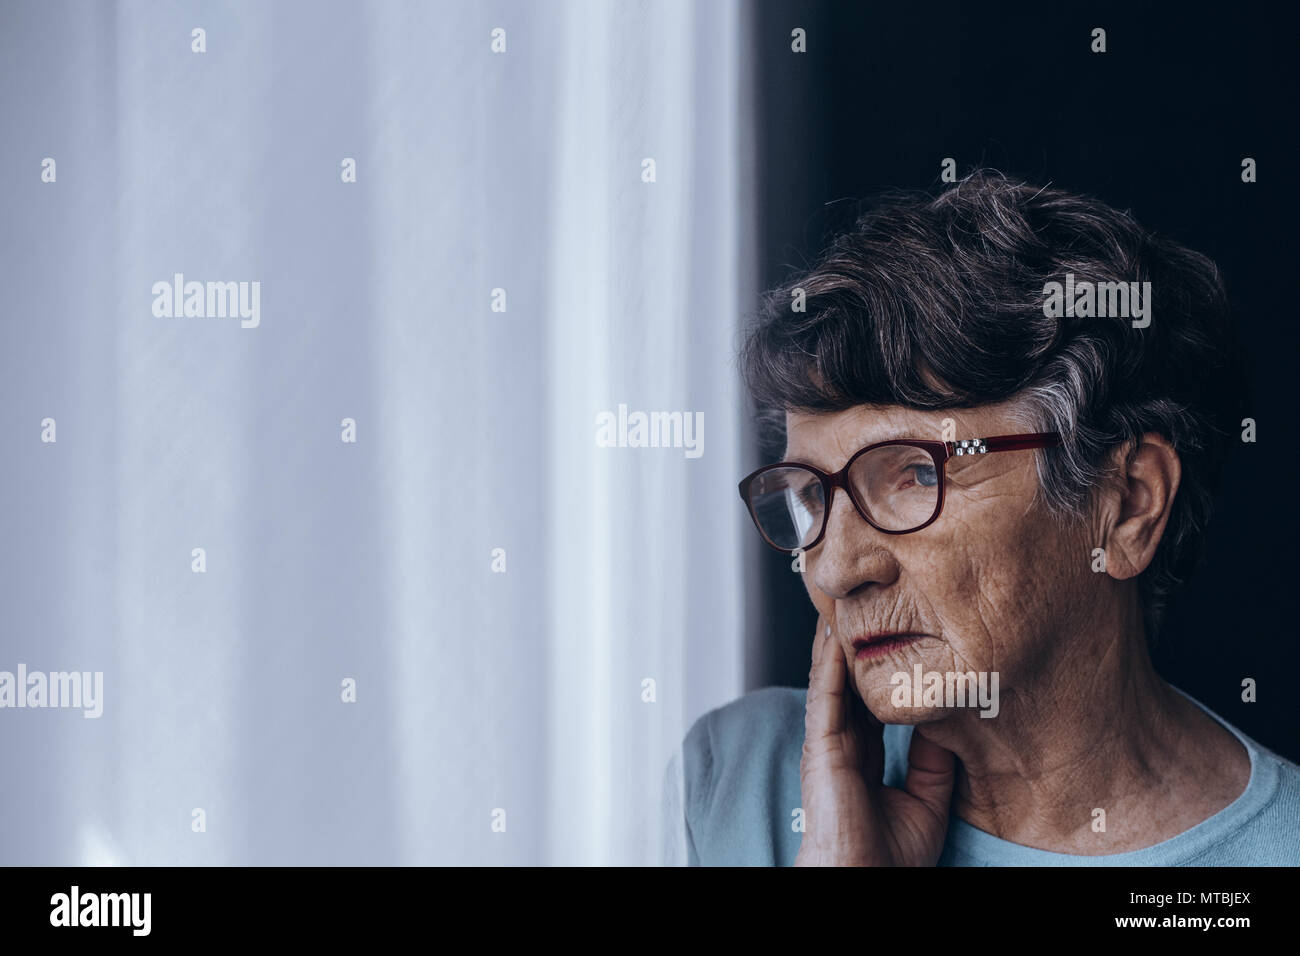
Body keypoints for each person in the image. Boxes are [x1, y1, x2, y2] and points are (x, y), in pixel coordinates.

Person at [665, 170, 1300, 866]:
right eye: (813, 495)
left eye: (914, 474)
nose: (838, 569)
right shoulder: (733, 785)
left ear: (1127, 504)